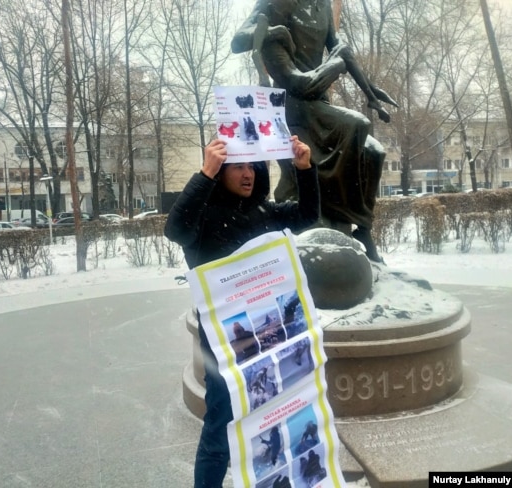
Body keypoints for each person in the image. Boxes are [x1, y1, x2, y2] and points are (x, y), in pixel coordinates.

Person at [164, 135, 320, 488]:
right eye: (237, 166)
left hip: (273, 340)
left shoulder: (264, 213)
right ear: (221, 171)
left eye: (252, 165)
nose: (247, 173)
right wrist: (205, 171)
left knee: (275, 418)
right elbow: (174, 230)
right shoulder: (203, 220)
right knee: (221, 428)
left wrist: (304, 167)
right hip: (226, 348)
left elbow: (309, 213)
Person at [231, 0, 397, 262]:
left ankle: (362, 228)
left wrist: (369, 90)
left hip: (319, 102)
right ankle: (337, 210)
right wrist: (272, 32)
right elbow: (239, 40)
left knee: (374, 152)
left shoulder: (322, 6)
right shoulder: (276, 3)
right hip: (293, 104)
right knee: (357, 125)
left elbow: (340, 48)